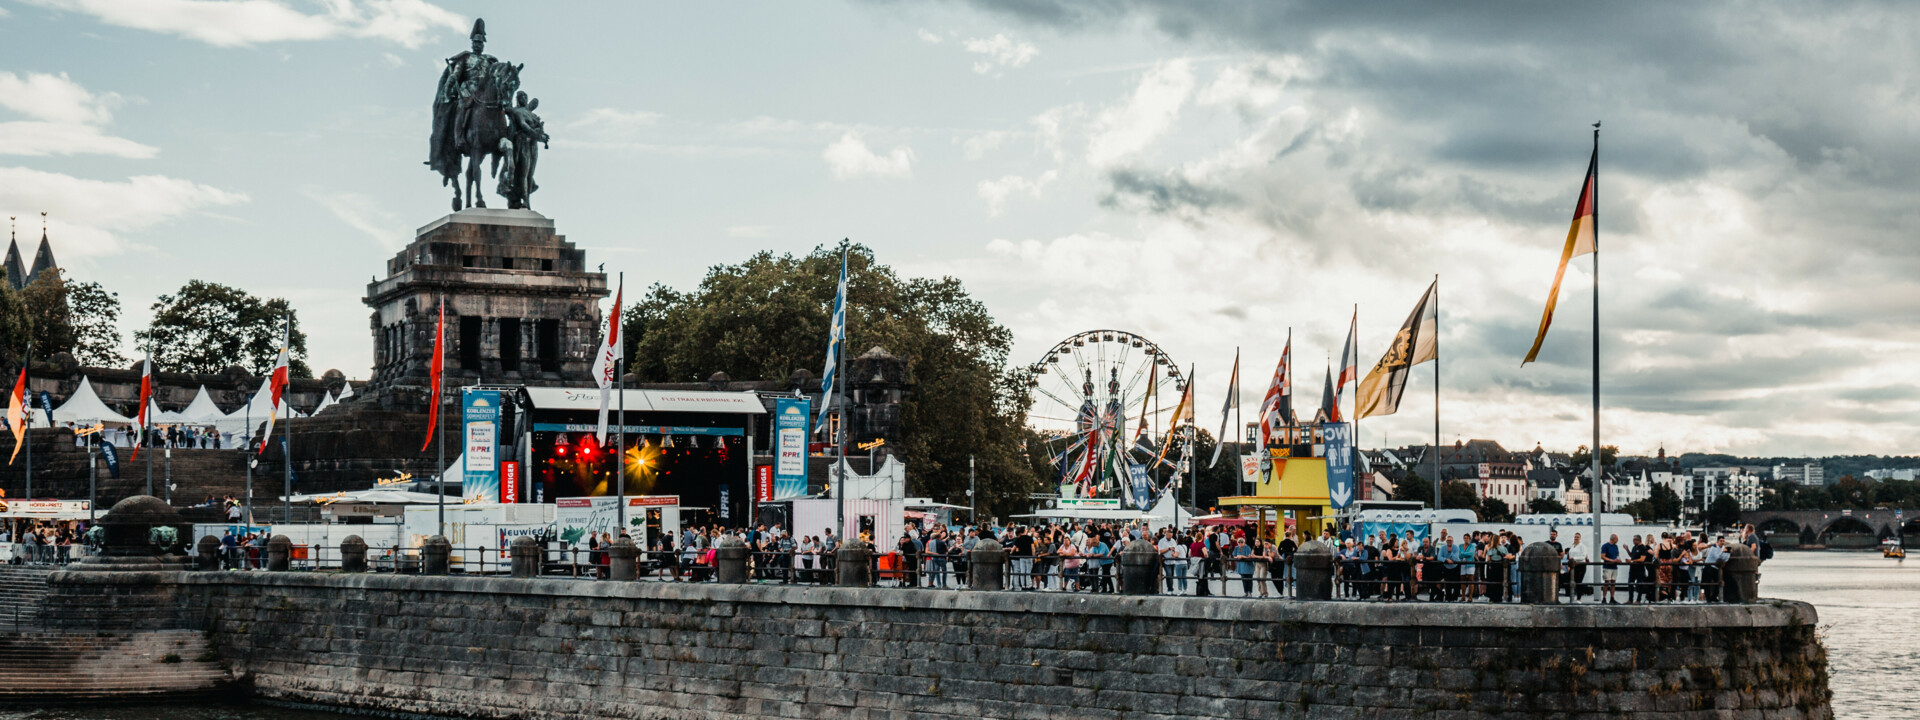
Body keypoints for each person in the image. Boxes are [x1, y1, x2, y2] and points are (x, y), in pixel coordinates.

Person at [1599, 534, 1622, 604]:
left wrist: (1618, 560)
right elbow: (1602, 556)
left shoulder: (1616, 546)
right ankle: (1604, 598)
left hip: (1614, 567)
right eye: (1617, 539)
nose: (1617, 540)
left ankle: (1612, 598)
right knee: (1607, 582)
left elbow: (1618, 555)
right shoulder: (1605, 546)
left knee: (1613, 583)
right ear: (1613, 539)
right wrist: (1612, 561)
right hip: (1607, 566)